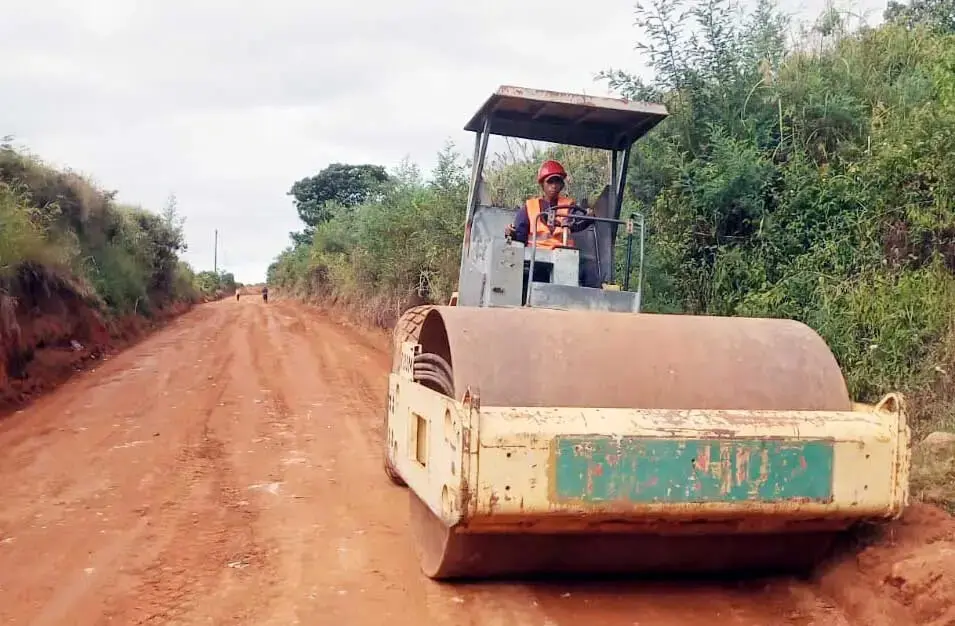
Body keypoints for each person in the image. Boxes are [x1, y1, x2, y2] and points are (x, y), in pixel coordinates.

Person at [504, 160, 582, 249]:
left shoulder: (569, 206)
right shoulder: (529, 207)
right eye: (550, 181)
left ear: (562, 185)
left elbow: (581, 222)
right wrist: (512, 234)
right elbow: (520, 236)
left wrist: (588, 215)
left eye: (557, 181)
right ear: (542, 184)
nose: (554, 186)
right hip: (535, 255)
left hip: (564, 254)